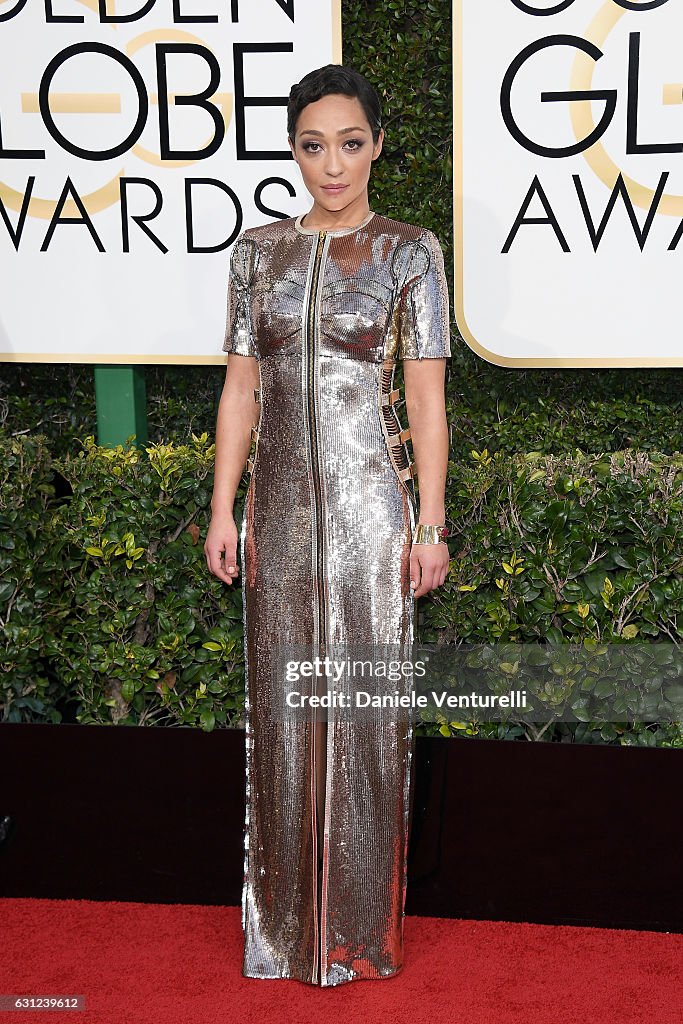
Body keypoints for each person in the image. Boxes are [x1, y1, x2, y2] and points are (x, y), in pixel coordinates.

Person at [205, 63, 451, 987]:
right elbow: (240, 389)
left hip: (369, 510)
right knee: (279, 709)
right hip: (276, 512)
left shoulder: (408, 251)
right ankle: (278, 930)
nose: (333, 165)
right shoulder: (255, 254)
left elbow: (425, 403)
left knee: (365, 711)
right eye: (313, 146)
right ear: (294, 151)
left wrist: (429, 524)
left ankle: (356, 932)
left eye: (350, 143)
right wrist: (222, 506)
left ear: (378, 144)